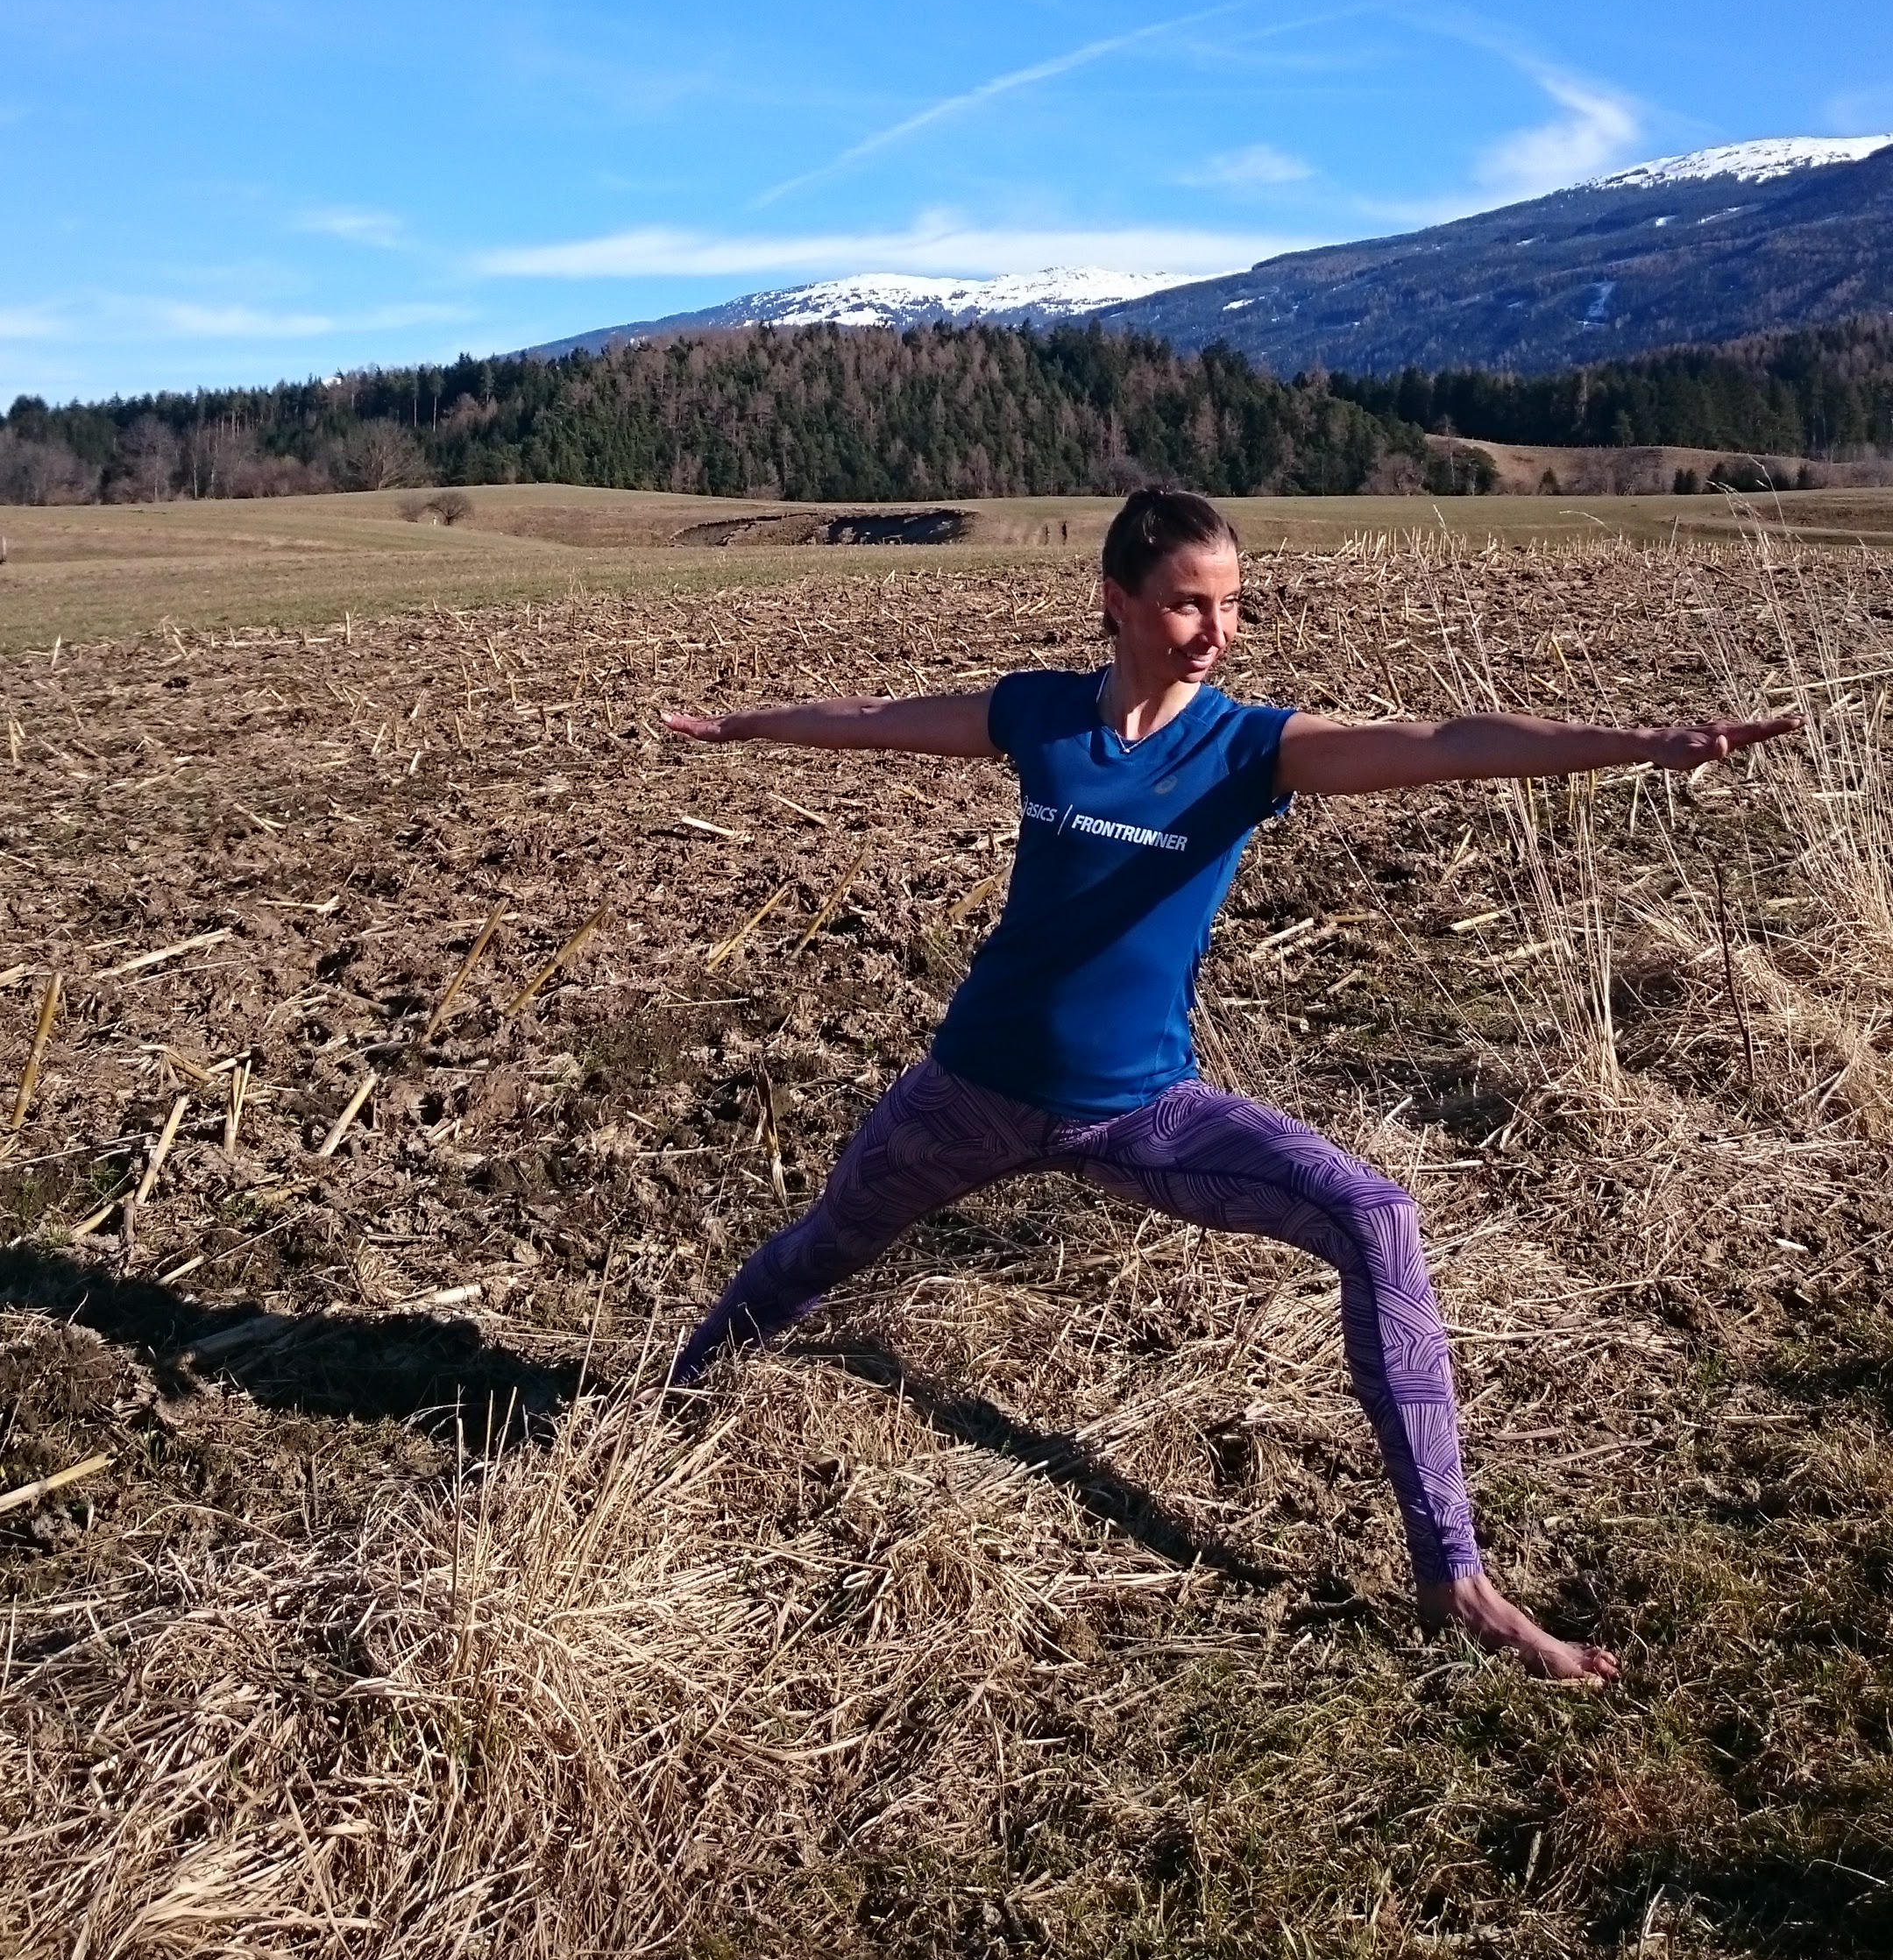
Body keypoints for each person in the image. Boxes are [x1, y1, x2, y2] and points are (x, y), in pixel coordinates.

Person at [662, 485, 1796, 1680]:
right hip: (971, 1092)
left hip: (1140, 1112)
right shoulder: (1039, 715)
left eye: (1234, 605)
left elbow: (1449, 743)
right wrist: (742, 726)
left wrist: (1640, 744)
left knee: (1375, 1218)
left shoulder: (1251, 748)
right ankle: (663, 1400)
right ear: (1117, 602)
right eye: (1187, 605)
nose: (1216, 631)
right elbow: (876, 717)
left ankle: (1455, 1576)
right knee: (820, 1250)